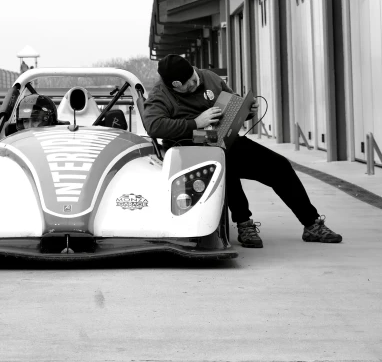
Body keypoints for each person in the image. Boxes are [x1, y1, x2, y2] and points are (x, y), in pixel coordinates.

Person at [143, 54, 342, 247]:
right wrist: (196, 122)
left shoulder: (209, 78)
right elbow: (153, 125)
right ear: (174, 85)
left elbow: (233, 103)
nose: (194, 84)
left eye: (194, 78)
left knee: (279, 165)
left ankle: (312, 224)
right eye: (188, 85)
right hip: (189, 149)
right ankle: (244, 224)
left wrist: (247, 110)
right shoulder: (160, 94)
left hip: (223, 140)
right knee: (223, 165)